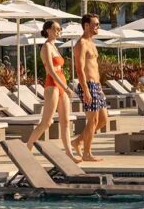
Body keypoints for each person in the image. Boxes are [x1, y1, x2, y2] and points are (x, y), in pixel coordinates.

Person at [26, 20, 77, 159]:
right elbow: (50, 70)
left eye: (60, 29)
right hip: (53, 85)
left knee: (65, 121)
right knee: (47, 122)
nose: (59, 31)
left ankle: (69, 154)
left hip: (61, 83)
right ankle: (28, 148)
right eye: (56, 29)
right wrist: (66, 87)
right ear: (48, 30)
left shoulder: (55, 47)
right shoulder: (46, 47)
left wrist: (65, 87)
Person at [73, 13, 107, 162]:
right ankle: (87, 153)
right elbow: (79, 69)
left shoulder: (92, 43)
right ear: (86, 26)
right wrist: (85, 89)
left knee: (103, 119)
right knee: (92, 120)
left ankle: (78, 141)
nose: (98, 26)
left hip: (97, 85)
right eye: (96, 24)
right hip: (88, 84)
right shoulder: (81, 44)